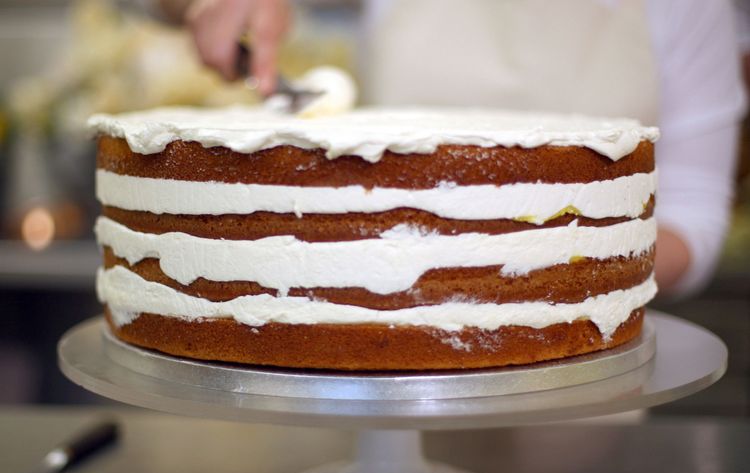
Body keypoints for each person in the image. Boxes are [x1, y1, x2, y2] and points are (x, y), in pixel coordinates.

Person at [178, 0, 746, 297]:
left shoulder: (690, 7)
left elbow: (691, 221)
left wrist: (525, 282)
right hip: (371, 355)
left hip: (574, 388)